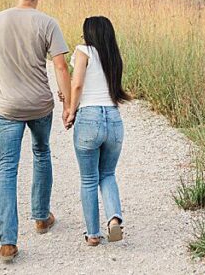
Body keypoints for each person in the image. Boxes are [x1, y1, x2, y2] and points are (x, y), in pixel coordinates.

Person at [0, 0, 73, 263]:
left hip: (8, 106)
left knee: (7, 168)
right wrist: (67, 104)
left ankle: (7, 242)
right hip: (40, 105)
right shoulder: (48, 23)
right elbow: (61, 67)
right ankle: (41, 217)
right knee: (41, 153)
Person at [64, 16, 131, 246]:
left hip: (89, 117)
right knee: (108, 174)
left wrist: (71, 111)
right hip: (113, 118)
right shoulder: (113, 55)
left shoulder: (83, 51)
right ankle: (114, 220)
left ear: (89, 33)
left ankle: (92, 234)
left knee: (89, 178)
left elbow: (77, 84)